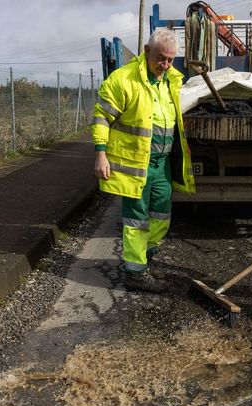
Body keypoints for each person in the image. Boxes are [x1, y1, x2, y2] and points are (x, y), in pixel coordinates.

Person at [91, 28, 196, 293]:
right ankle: (135, 273)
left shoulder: (171, 80)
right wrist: (101, 154)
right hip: (137, 164)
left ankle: (144, 258)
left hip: (162, 164)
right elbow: (102, 117)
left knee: (162, 213)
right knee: (136, 220)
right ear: (147, 51)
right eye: (162, 58)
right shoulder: (123, 80)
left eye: (171, 59)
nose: (166, 65)